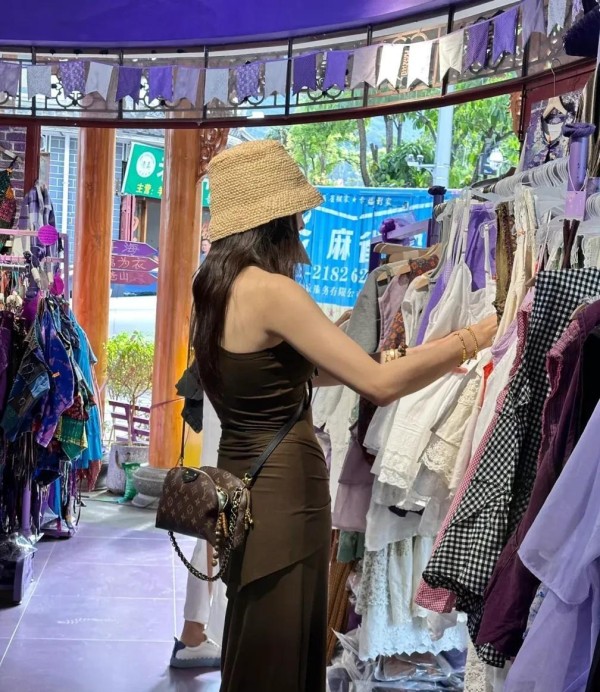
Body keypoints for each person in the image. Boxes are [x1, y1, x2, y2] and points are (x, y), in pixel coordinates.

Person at [191, 139, 497, 692]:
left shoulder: (215, 286)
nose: (302, 226)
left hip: (239, 482)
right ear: (276, 220)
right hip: (283, 494)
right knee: (281, 651)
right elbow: (379, 384)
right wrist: (472, 337)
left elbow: (298, 372)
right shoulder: (273, 291)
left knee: (257, 640)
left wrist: (404, 357)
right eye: (297, 215)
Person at [170, 396, 227, 669]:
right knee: (221, 530)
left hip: (227, 412)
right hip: (242, 425)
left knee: (214, 530)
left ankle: (194, 635)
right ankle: (200, 635)